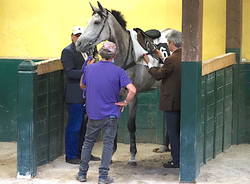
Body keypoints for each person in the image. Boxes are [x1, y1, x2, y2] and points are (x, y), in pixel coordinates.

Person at [76, 41, 136, 183]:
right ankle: (103, 177)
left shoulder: (90, 69)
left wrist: (86, 70)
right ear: (114, 55)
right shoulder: (119, 71)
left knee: (88, 142)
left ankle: (82, 173)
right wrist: (125, 102)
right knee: (108, 144)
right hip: (111, 113)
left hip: (93, 113)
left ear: (101, 54)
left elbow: (82, 85)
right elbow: (132, 90)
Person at [61, 26, 100, 164]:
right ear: (72, 36)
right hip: (75, 94)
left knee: (85, 127)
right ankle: (71, 155)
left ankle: (84, 154)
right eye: (76, 35)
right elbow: (70, 73)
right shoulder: (67, 51)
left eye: (81, 35)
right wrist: (88, 71)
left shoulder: (87, 51)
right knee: (75, 126)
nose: (79, 38)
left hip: (87, 94)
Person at [143, 30, 182, 168]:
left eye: (168, 43)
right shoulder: (184, 56)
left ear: (172, 43)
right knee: (179, 131)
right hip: (182, 101)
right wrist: (162, 58)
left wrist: (149, 64)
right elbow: (172, 65)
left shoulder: (171, 59)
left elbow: (159, 74)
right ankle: (181, 158)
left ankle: (176, 160)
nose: (167, 45)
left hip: (171, 102)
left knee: (173, 132)